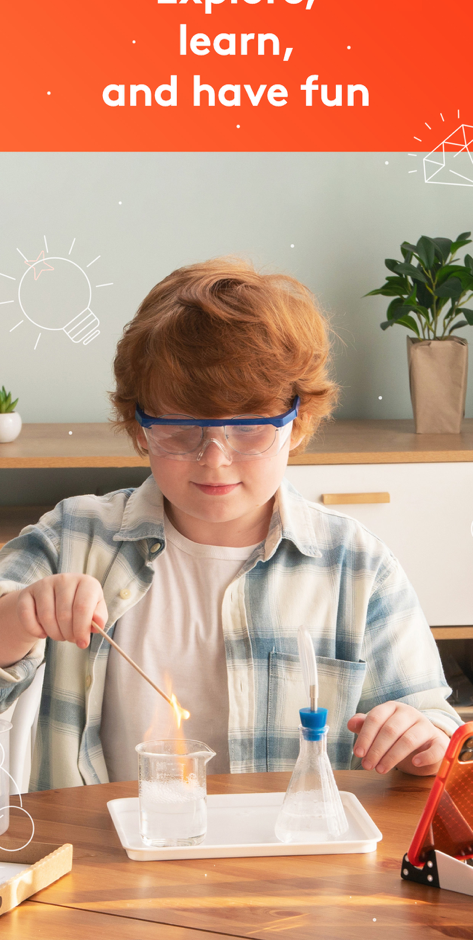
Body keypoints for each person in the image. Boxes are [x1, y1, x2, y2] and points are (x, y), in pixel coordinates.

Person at [0, 258, 461, 791]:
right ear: (141, 426)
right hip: (101, 842)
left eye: (249, 428)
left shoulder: (356, 565)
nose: (214, 459)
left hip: (288, 845)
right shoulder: (73, 537)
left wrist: (422, 742)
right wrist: (19, 617)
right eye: (180, 428)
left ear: (297, 423)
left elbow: (435, 728)